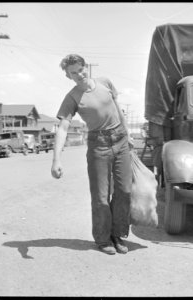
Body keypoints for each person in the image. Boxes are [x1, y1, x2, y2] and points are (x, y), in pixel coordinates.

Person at [51, 54, 133, 255]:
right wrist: (56, 159)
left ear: (85, 67)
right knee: (101, 197)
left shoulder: (105, 83)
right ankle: (103, 239)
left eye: (80, 69)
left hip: (120, 140)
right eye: (73, 73)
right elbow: (62, 127)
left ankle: (117, 234)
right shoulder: (72, 97)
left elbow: (117, 109)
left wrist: (127, 133)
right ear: (67, 75)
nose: (78, 75)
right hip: (99, 145)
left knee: (124, 191)